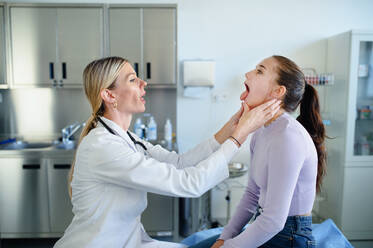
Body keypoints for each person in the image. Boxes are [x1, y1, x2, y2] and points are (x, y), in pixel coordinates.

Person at [53, 56, 281, 248]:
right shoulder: (103, 146)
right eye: (132, 79)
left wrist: (232, 126)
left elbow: (180, 162)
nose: (144, 83)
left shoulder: (128, 139)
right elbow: (189, 183)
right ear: (110, 95)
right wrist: (239, 136)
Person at [206, 55, 326, 248]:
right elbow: (253, 194)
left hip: (289, 236)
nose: (247, 74)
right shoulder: (262, 131)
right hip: (267, 225)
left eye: (259, 71)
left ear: (277, 92)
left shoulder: (288, 137)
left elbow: (274, 220)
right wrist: (224, 237)